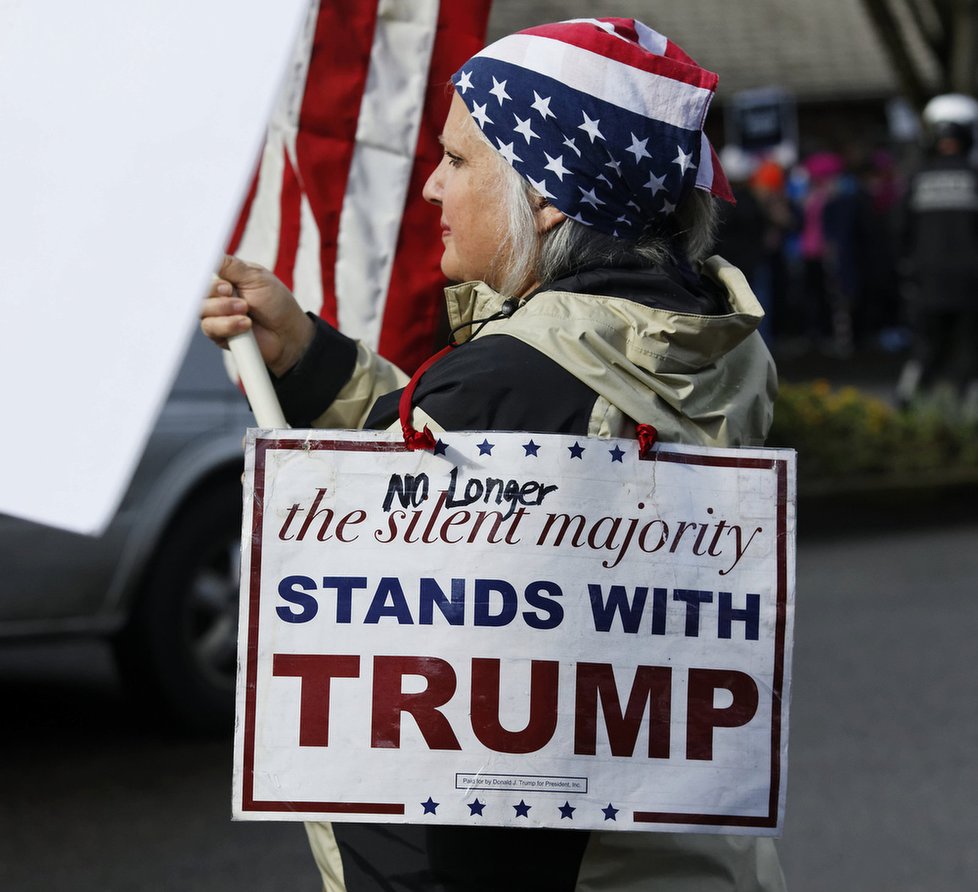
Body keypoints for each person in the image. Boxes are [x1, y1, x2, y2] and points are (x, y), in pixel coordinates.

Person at [202, 18, 784, 891]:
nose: (430, 186)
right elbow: (464, 444)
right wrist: (309, 357)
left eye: (459, 160)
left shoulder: (501, 387)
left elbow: (419, 775)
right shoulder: (709, 341)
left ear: (547, 196)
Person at [896, 93, 978, 413]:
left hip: (926, 282)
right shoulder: (974, 179)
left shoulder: (917, 180)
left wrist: (907, 271)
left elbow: (899, 230)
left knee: (925, 348)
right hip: (971, 284)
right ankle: (967, 412)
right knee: (969, 348)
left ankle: (907, 405)